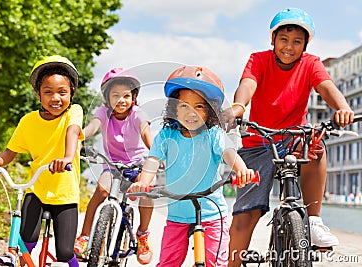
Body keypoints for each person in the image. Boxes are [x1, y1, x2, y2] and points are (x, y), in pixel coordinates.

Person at [225, 8, 354, 266]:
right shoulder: (259, 60)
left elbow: (326, 85)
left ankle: (314, 219)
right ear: (272, 40)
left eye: (297, 41)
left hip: (294, 136)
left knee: (315, 142)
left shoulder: (311, 63)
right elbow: (248, 84)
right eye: (284, 39)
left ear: (305, 44)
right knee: (244, 217)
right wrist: (239, 107)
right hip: (259, 141)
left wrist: (343, 108)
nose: (289, 47)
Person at [129, 65, 256, 267]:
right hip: (178, 214)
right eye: (184, 106)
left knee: (216, 263)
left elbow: (229, 153)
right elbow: (153, 160)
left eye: (199, 106)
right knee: (168, 262)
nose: (191, 112)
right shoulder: (166, 135)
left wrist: (241, 169)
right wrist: (144, 181)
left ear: (209, 111)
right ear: (173, 108)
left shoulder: (214, 134)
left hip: (212, 214)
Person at [0, 55, 84, 267]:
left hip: (65, 193)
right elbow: (9, 152)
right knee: (25, 243)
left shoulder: (74, 112)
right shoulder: (28, 121)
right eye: (48, 92)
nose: (56, 98)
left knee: (64, 252)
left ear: (71, 93)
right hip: (36, 188)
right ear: (38, 94)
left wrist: (66, 158)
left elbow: (72, 132)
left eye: (62, 92)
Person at [74, 67, 154, 265]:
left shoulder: (137, 114)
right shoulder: (103, 112)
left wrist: (156, 153)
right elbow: (93, 126)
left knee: (147, 191)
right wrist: (79, 136)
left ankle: (143, 234)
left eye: (126, 95)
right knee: (101, 191)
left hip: (137, 164)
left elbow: (145, 131)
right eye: (115, 95)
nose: (121, 100)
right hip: (112, 165)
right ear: (107, 98)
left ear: (133, 97)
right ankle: (84, 236)